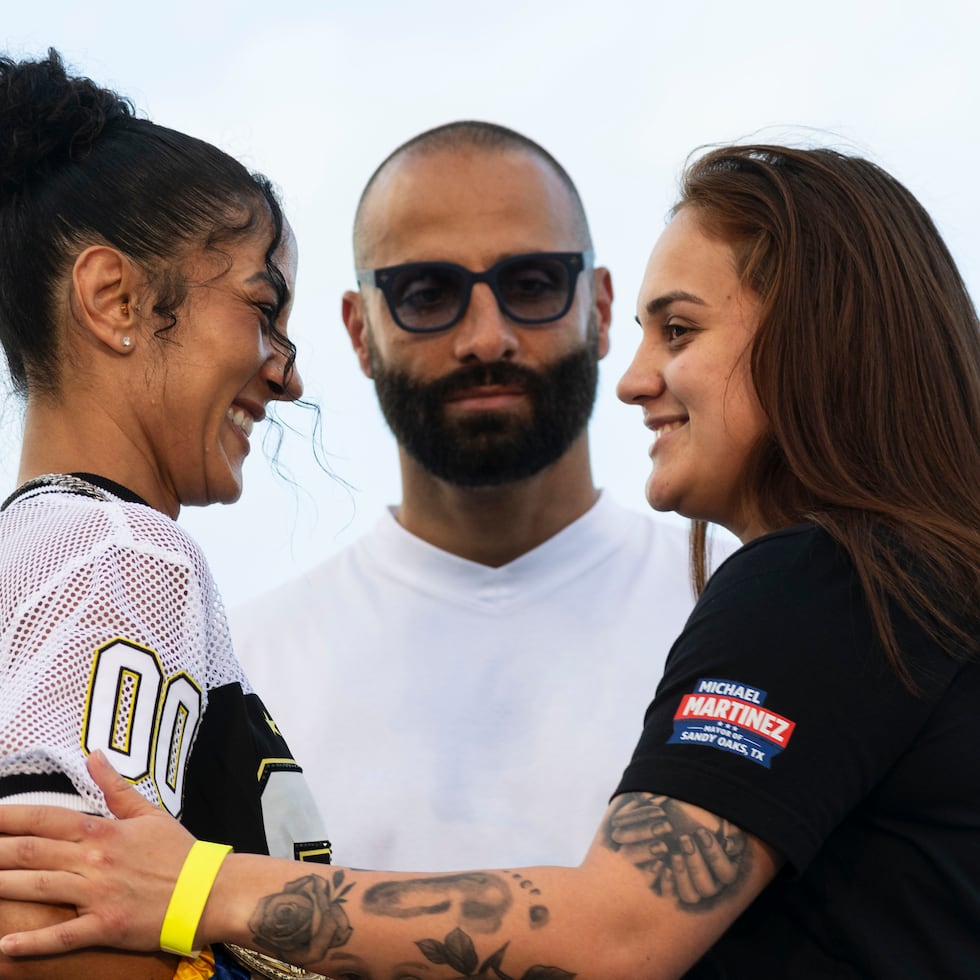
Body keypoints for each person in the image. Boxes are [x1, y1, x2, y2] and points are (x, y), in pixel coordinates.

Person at [1, 142, 978, 979]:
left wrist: (195, 886)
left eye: (678, 330)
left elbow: (619, 930)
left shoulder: (819, 578)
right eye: (425, 292)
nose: (636, 379)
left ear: (815, 336)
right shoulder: (897, 583)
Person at [230, 121, 723, 870]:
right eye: (427, 294)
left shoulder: (739, 607)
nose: (487, 338)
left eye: (532, 284)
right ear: (360, 333)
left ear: (599, 309)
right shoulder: (245, 671)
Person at [0, 50, 331, 980]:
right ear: (116, 299)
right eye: (263, 308)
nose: (288, 373)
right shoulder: (125, 552)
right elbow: (41, 919)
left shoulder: (37, 553)